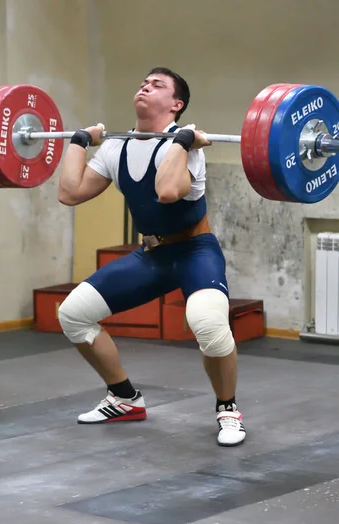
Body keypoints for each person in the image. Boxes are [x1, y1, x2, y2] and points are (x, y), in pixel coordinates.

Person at [57, 67, 246, 446]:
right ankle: (124, 398)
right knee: (72, 315)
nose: (145, 86)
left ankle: (228, 410)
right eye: (144, 82)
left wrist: (182, 142)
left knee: (207, 324)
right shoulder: (116, 146)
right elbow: (70, 193)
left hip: (195, 251)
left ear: (176, 104)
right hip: (152, 255)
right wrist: (79, 142)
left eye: (157, 85)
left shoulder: (187, 147)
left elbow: (167, 192)